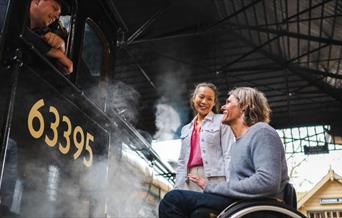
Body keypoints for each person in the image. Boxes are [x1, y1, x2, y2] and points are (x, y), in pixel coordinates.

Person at [159, 87, 289, 217]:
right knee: (198, 213)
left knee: (173, 199)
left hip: (258, 205)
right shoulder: (237, 144)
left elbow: (267, 182)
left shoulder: (262, 132)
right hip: (242, 203)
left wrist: (212, 187)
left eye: (228, 102)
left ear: (243, 106)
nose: (222, 107)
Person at [174, 82, 234, 192]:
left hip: (215, 178)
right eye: (201, 97)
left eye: (210, 99)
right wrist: (178, 187)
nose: (204, 102)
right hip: (190, 179)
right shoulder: (186, 129)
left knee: (215, 208)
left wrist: (230, 184)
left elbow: (228, 154)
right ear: (194, 98)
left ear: (213, 103)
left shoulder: (222, 121)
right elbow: (182, 161)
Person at [25, 0, 73, 74]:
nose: (56, 16)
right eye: (54, 8)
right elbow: (14, 27)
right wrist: (53, 52)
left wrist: (61, 49)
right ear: (37, 1)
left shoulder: (45, 36)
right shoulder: (9, 6)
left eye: (58, 15)